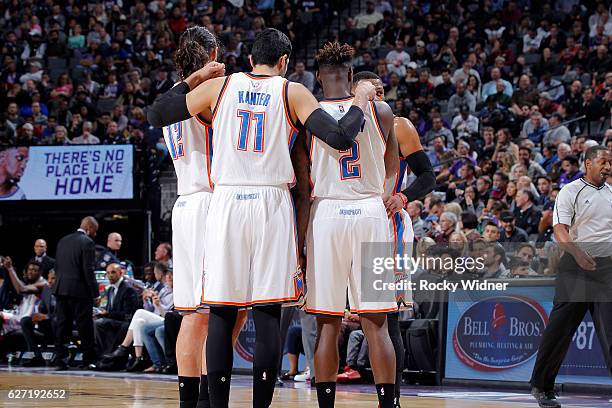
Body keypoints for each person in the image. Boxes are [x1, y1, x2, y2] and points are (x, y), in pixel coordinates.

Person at [147, 28, 376, 408]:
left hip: (226, 202)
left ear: (250, 59)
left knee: (220, 311)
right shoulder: (293, 91)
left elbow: (157, 113)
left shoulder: (220, 87)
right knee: (267, 311)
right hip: (271, 203)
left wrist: (194, 79)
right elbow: (338, 138)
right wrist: (360, 102)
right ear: (284, 63)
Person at [151, 26, 248, 407]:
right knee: (227, 308)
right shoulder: (205, 96)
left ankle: (192, 399)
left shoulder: (176, 95)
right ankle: (210, 393)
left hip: (186, 205)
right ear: (211, 56)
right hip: (211, 204)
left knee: (194, 312)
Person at [305, 42, 398, 408]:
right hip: (370, 211)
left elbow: (302, 175)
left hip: (326, 213)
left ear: (317, 77)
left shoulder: (306, 113)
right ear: (350, 74)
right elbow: (392, 166)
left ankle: (325, 405)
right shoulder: (382, 110)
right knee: (377, 323)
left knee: (327, 322)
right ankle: (387, 404)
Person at [352, 71, 434, 407]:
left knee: (387, 319)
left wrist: (402, 197)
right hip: (352, 222)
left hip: (388, 223)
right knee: (361, 319)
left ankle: (393, 399)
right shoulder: (342, 125)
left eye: (381, 91)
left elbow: (427, 175)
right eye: (371, 92)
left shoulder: (399, 126)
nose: (377, 97)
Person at [530, 146, 612, 408]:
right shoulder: (570, 190)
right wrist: (577, 254)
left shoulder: (611, 194)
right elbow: (560, 230)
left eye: (610, 163)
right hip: (576, 267)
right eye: (603, 161)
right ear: (588, 163)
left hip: (607, 268)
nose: (608, 167)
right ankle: (542, 387)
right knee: (560, 330)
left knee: (611, 331)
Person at [52, 216, 99, 369]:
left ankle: (60, 359)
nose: (95, 234)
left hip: (61, 288)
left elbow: (57, 267)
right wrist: (95, 292)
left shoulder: (63, 240)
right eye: (95, 231)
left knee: (62, 325)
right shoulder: (88, 242)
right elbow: (88, 269)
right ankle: (88, 360)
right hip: (80, 291)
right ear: (90, 228)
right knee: (84, 326)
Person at [93, 263, 139, 357]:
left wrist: (108, 314)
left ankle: (106, 354)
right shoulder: (110, 290)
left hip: (125, 323)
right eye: (108, 273)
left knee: (99, 323)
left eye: (113, 272)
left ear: (121, 273)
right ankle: (99, 355)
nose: (110, 275)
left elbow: (128, 314)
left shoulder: (128, 289)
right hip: (113, 319)